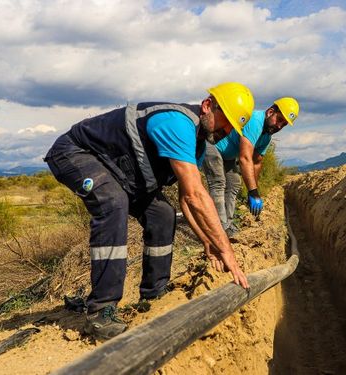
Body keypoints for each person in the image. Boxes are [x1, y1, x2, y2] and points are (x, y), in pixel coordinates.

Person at [44, 82, 253, 340]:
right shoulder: (177, 123)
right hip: (75, 153)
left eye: (233, 127)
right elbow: (196, 195)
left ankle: (154, 294)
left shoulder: (197, 144)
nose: (227, 130)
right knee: (113, 203)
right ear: (208, 106)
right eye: (226, 121)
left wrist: (208, 242)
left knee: (162, 214)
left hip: (118, 171)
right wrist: (227, 251)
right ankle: (101, 310)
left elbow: (185, 200)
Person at [202, 97, 299, 236]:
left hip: (227, 155)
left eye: (284, 124)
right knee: (218, 182)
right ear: (270, 112)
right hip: (212, 146)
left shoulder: (266, 137)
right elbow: (245, 158)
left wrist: (253, 190)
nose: (279, 126)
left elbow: (256, 162)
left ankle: (227, 224)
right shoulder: (255, 121)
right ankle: (218, 230)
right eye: (279, 120)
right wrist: (253, 192)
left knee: (234, 183)